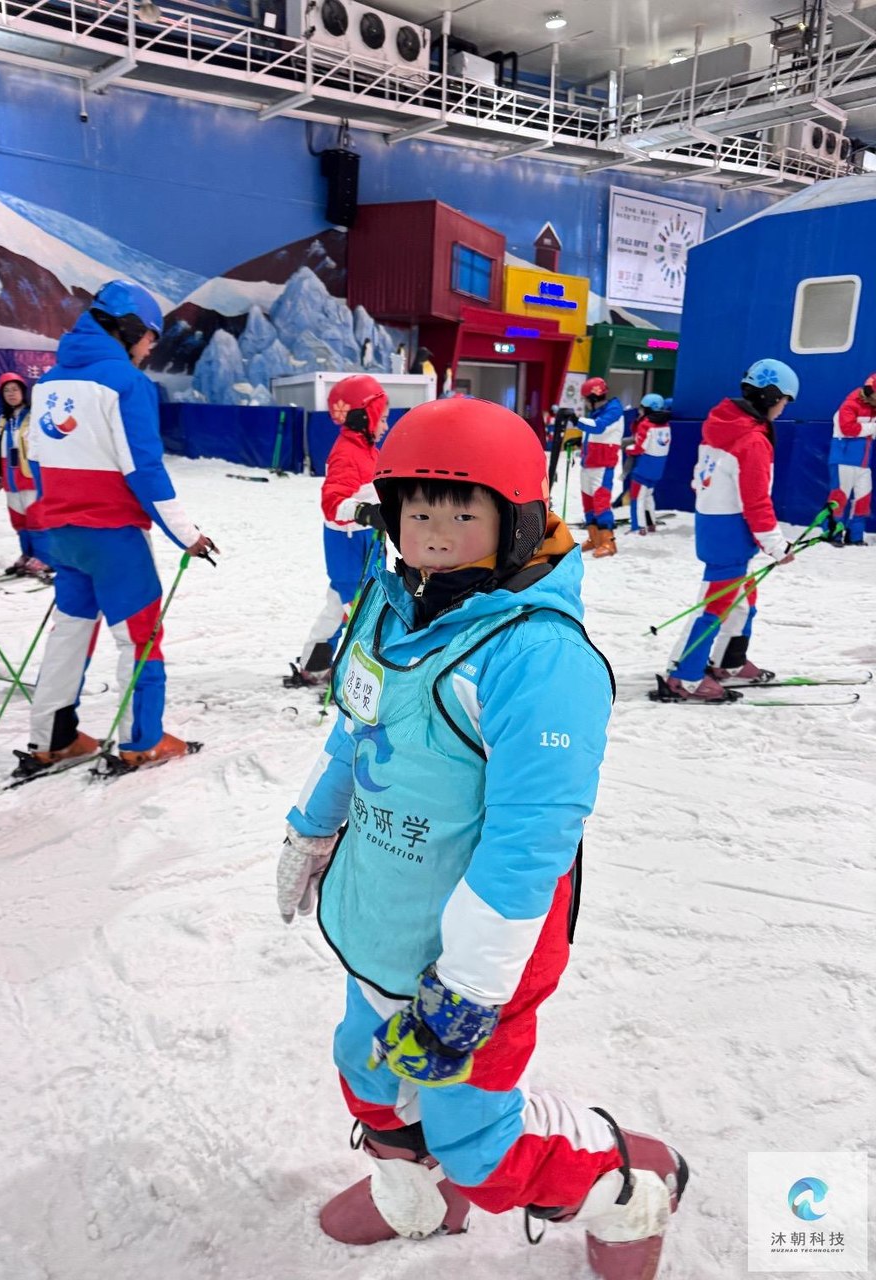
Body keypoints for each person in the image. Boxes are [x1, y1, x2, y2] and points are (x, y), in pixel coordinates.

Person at [276, 397, 688, 1278]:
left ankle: (628, 1189)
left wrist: (466, 989)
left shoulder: (539, 656)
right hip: (388, 911)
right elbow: (357, 727)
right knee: (368, 1070)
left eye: (462, 515)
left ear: (516, 521)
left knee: (479, 1140)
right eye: (417, 512)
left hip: (484, 949)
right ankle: (420, 1190)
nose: (435, 535)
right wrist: (310, 830)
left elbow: (529, 840)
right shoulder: (390, 607)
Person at [15, 280, 216, 773]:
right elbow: (144, 470)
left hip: (61, 533)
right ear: (126, 328)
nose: (149, 350)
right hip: (114, 537)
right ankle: (142, 741)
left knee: (70, 633)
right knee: (140, 638)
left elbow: (36, 462)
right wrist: (187, 535)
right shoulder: (126, 384)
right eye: (149, 337)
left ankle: (52, 738)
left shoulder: (49, 383)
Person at [663, 359, 799, 703]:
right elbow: (756, 501)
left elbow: (700, 479)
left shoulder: (725, 425)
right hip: (729, 534)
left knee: (742, 601)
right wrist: (776, 546)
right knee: (714, 606)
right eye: (784, 401)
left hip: (722, 528)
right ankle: (684, 676)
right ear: (771, 396)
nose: (783, 409)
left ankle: (729, 661)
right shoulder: (751, 439)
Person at [288, 375, 389, 686]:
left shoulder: (367, 449)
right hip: (348, 545)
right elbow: (332, 504)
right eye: (382, 418)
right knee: (358, 610)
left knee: (346, 607)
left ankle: (315, 664)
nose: (385, 426)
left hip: (365, 541)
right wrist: (364, 512)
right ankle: (352, 672)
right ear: (364, 416)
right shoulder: (347, 453)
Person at [0, 371, 52, 578]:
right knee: (18, 519)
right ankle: (27, 554)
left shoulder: (33, 416)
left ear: (23, 392)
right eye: (6, 391)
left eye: (15, 390)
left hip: (29, 475)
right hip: (10, 477)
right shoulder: (2, 420)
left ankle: (44, 557)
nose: (11, 394)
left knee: (36, 517)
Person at [577, 376, 624, 558]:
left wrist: (575, 419)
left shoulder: (613, 411)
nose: (585, 403)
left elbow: (598, 428)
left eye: (586, 399)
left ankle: (608, 542)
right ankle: (594, 538)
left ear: (593, 397)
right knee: (588, 503)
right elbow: (593, 434)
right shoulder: (597, 412)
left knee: (601, 503)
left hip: (602, 466)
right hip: (589, 464)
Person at [826, 373, 874, 546]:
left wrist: (869, 429)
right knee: (838, 499)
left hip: (863, 463)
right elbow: (848, 429)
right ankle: (833, 534)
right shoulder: (849, 405)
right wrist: (873, 428)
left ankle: (855, 537)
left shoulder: (873, 407)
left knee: (863, 501)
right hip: (843, 460)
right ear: (870, 392)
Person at [626, 393, 672, 535]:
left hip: (644, 468)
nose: (639, 410)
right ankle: (651, 524)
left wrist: (628, 449)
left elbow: (640, 448)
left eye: (641, 407)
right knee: (648, 496)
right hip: (658, 468)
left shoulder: (646, 425)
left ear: (647, 408)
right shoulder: (666, 424)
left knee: (637, 498)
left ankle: (638, 528)